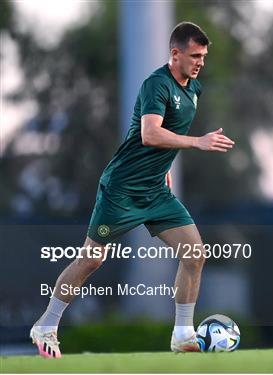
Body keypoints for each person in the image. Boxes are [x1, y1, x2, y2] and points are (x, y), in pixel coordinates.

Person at [30, 22, 235, 358]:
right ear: (175, 53)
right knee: (92, 259)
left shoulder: (194, 89)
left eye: (203, 56)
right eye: (195, 55)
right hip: (121, 189)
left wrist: (164, 168)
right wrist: (198, 142)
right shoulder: (156, 84)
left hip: (155, 191)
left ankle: (183, 335)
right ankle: (47, 324)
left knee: (195, 254)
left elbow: (165, 139)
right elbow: (150, 134)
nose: (200, 62)